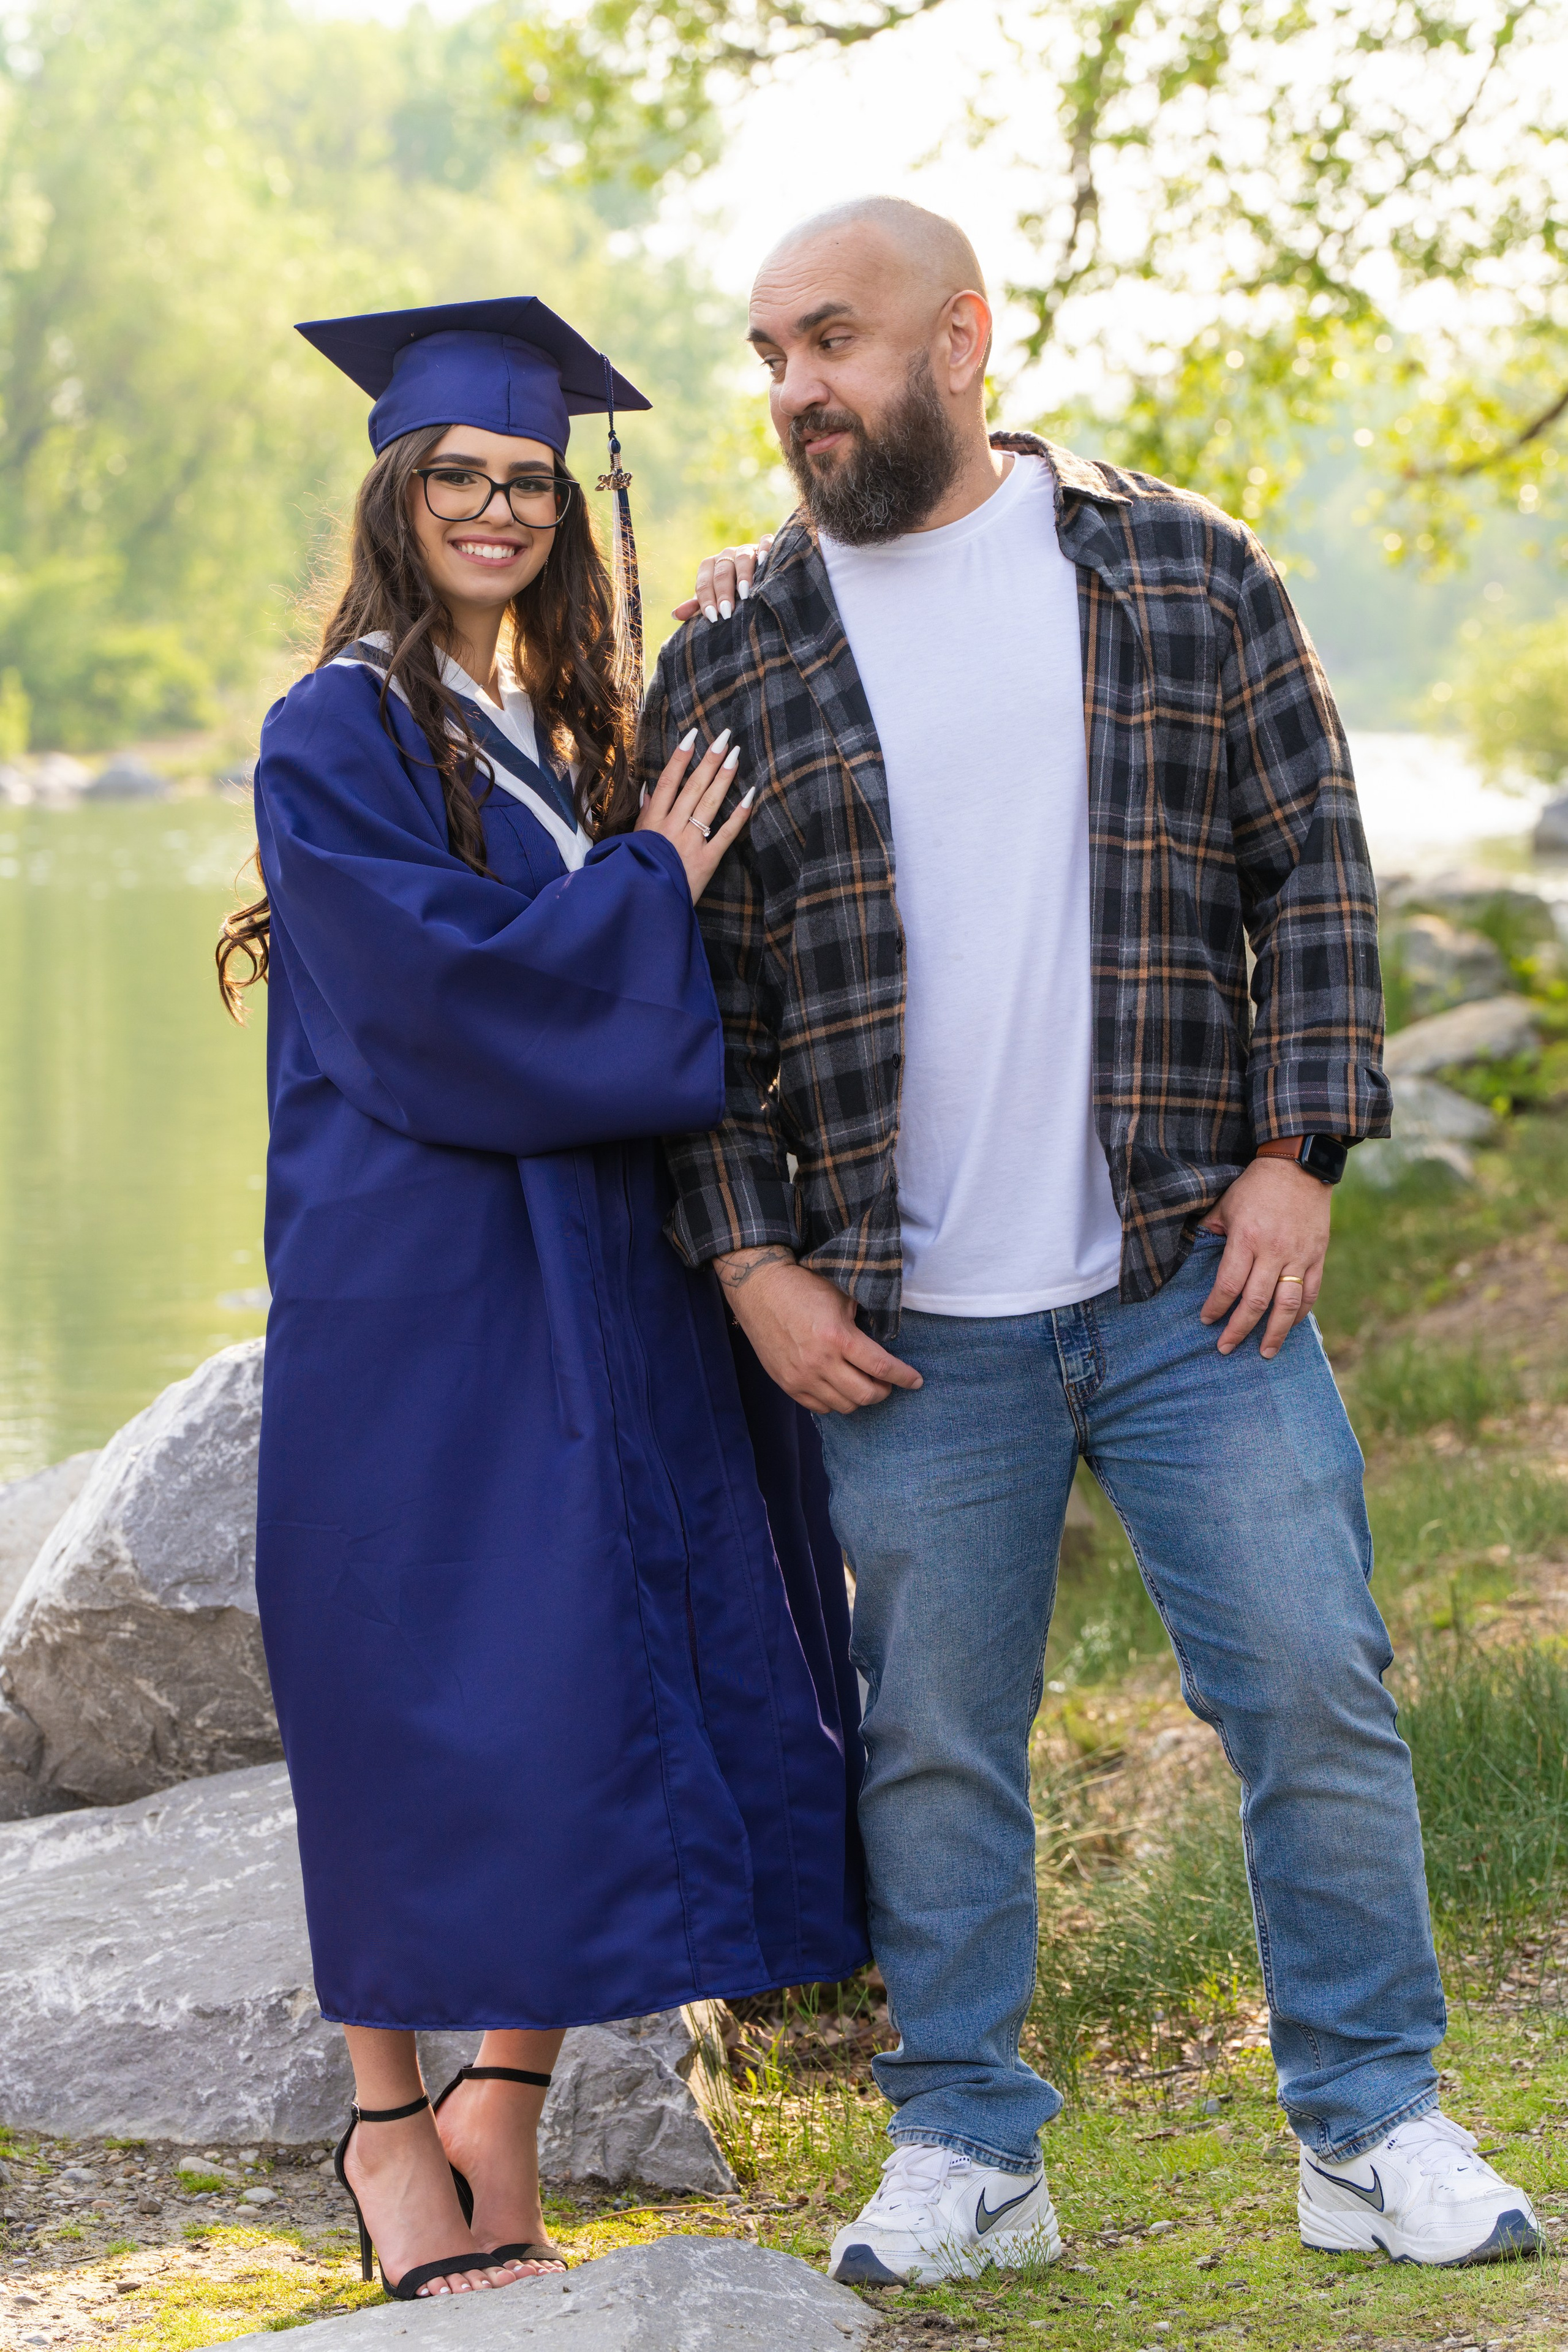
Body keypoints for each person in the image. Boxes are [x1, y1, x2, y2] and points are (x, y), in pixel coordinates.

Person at [648, 198, 1542, 2285]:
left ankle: (1372, 2119)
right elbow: (703, 1004)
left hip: (1181, 1284)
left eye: (836, 342)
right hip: (903, 1316)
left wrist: (1301, 1146)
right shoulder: (732, 642)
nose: (795, 390)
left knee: (1316, 1684)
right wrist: (750, 1262)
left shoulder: (1182, 569)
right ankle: (970, 2146)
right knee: (935, 1746)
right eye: (770, 350)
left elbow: (1310, 861)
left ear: (963, 338)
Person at [216, 296, 867, 2305]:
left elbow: (644, 920)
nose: (497, 505)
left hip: (587, 1260)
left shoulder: (570, 730)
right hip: (420, 1279)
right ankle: (390, 2132)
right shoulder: (336, 727)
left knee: (574, 1674)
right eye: (460, 479)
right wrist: (641, 891)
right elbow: (439, 1002)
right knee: (418, 1682)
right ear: (396, 497)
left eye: (527, 480)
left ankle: (502, 2107)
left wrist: (777, 595)